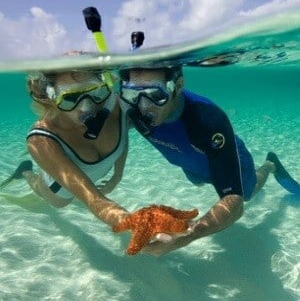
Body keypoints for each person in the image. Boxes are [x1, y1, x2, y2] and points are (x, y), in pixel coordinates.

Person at [119, 65, 300, 256]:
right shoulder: (132, 108)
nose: (143, 106)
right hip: (193, 166)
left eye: (155, 94)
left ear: (177, 86)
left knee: (247, 193)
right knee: (198, 181)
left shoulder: (208, 119)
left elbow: (234, 203)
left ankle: (270, 165)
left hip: (227, 157)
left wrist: (186, 235)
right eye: (133, 94)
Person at [1, 64, 129, 228]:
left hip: (88, 180)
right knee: (47, 192)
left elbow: (122, 138)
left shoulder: (116, 107)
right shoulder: (40, 140)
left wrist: (117, 176)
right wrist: (133, 223)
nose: (86, 107)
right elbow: (94, 199)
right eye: (69, 99)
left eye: (94, 92)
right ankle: (25, 172)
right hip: (58, 191)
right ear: (51, 98)